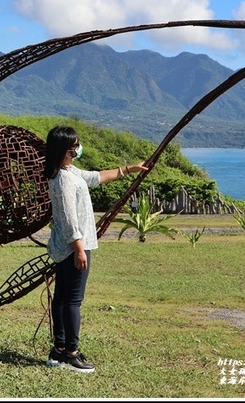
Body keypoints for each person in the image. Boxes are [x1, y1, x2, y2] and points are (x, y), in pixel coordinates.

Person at [43, 125, 148, 373]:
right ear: (67, 150)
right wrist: (80, 249)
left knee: (61, 298)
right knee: (72, 301)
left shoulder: (68, 172)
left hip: (67, 247)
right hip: (73, 247)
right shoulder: (64, 181)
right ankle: (71, 352)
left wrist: (129, 169)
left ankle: (58, 351)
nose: (80, 147)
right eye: (76, 144)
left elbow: (96, 177)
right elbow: (69, 219)